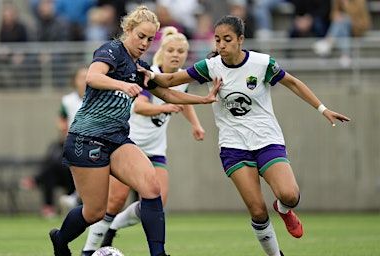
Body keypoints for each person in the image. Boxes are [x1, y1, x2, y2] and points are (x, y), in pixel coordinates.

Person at [145, 15, 350, 256]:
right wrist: (142, 75)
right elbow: (168, 80)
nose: (221, 45)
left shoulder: (262, 63)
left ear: (241, 40)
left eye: (227, 39)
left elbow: (293, 83)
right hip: (233, 146)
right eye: (218, 40)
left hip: (267, 140)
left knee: (290, 195)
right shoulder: (210, 67)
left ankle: (284, 210)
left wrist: (323, 109)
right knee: (258, 211)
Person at [48, 6, 220, 256]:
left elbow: (167, 92)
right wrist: (122, 84)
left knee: (151, 190)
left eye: (150, 39)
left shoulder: (140, 66)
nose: (145, 43)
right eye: (141, 36)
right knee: (95, 211)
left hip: (117, 139)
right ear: (128, 29)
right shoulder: (111, 50)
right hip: (87, 138)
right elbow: (93, 77)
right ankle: (61, 240)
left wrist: (204, 100)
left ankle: (158, 254)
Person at [80, 26, 205, 255]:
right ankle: (88, 250)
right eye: (171, 50)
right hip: (130, 145)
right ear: (162, 52)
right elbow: (140, 106)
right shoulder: (150, 74)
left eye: (180, 51)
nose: (176, 55)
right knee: (114, 202)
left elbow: (182, 101)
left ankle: (114, 227)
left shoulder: (180, 78)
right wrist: (166, 107)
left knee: (157, 201)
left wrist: (195, 125)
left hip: (156, 149)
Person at [20, 67, 88, 218]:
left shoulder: (97, 98)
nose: (84, 80)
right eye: (81, 77)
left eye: (87, 77)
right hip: (72, 142)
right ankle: (56, 202)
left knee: (53, 162)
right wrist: (62, 128)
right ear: (74, 81)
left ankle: (37, 180)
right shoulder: (68, 100)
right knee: (53, 159)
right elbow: (62, 119)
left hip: (91, 144)